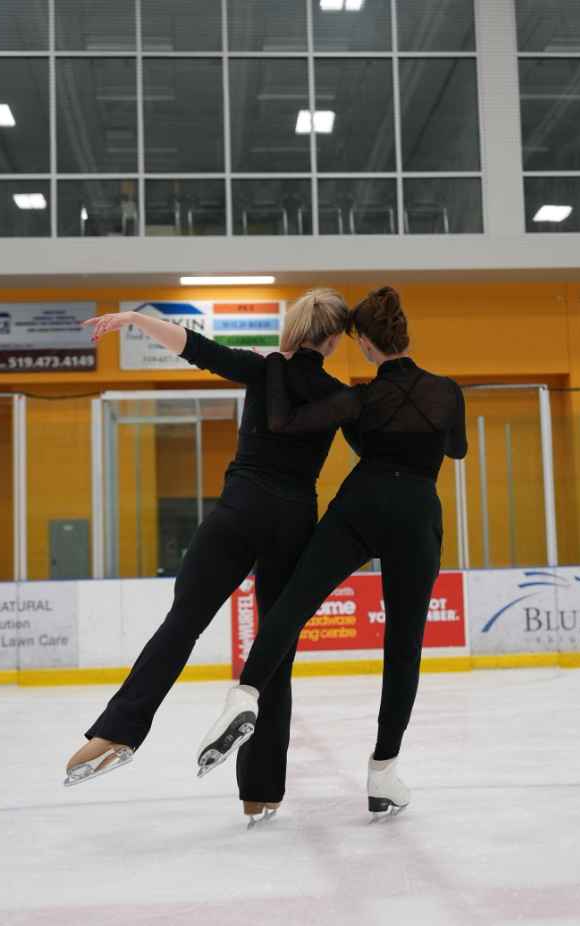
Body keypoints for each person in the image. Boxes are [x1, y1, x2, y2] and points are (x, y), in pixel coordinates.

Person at [64, 288, 361, 827]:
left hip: (241, 510)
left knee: (183, 622)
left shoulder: (265, 369)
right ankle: (261, 791)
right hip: (295, 522)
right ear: (335, 339)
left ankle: (118, 731)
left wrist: (135, 318)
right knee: (275, 655)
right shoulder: (340, 395)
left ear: (293, 328)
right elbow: (383, 440)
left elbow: (196, 347)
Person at [196, 285, 468, 821]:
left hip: (360, 504)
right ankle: (383, 772)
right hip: (416, 513)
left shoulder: (359, 398)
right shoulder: (447, 391)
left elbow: (291, 424)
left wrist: (274, 369)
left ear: (364, 344)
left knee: (293, 603)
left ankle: (246, 694)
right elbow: (454, 448)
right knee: (404, 645)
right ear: (404, 334)